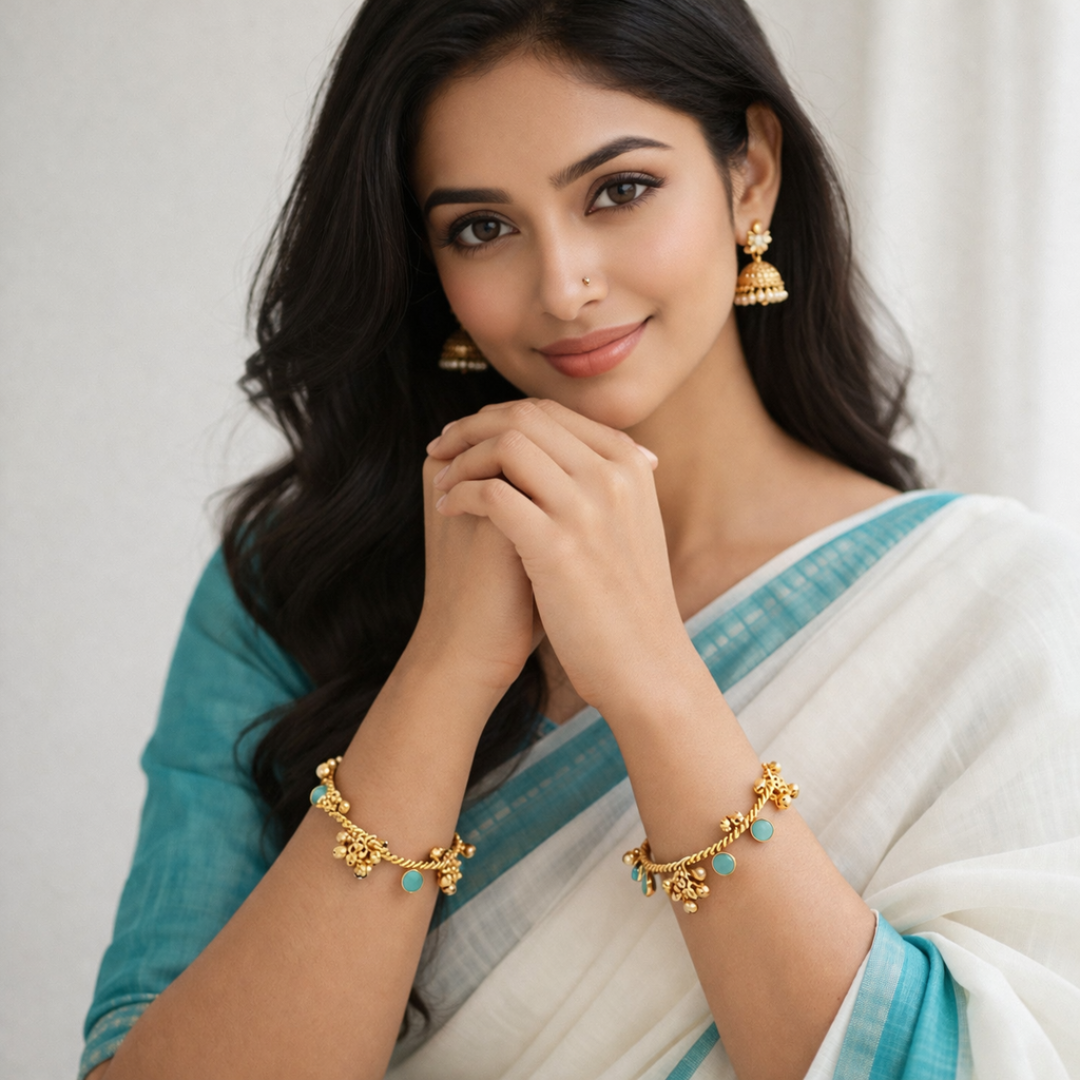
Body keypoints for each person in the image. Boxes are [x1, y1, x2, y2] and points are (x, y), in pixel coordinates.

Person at [79, 1, 1080, 1077]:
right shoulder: (293, 590)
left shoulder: (995, 609)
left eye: (619, 190)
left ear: (750, 175)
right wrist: (447, 672)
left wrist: (653, 681)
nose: (564, 287)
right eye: (482, 227)